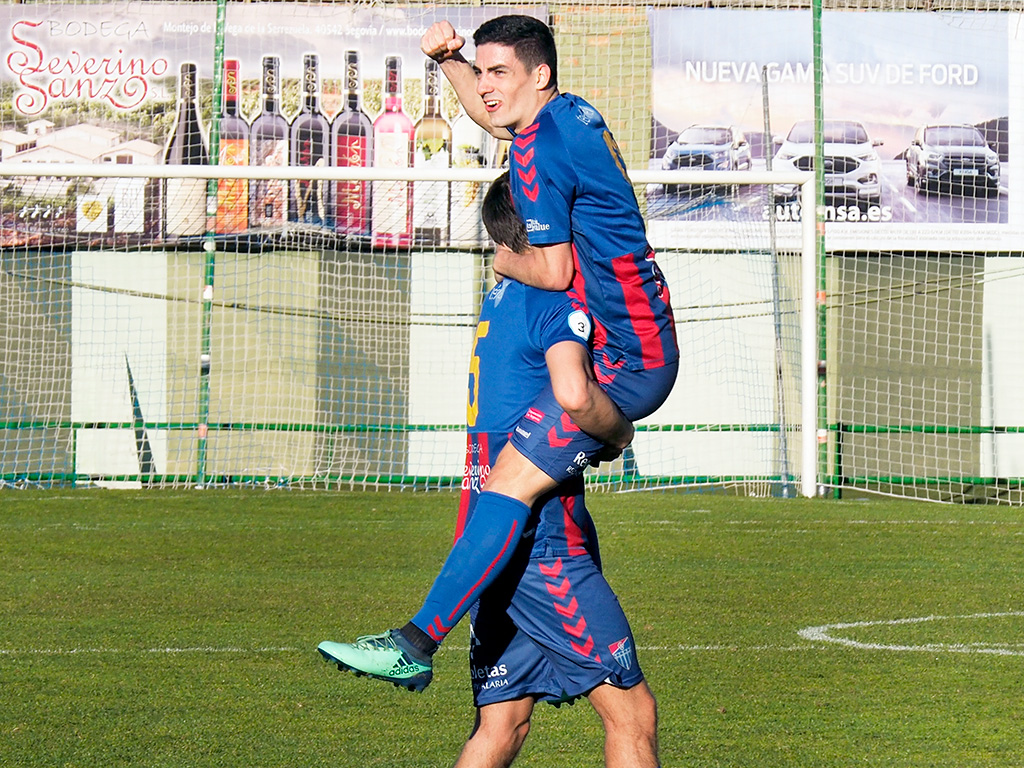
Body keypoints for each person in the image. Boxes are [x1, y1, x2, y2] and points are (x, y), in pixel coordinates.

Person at [317, 14, 677, 691]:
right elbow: (499, 119)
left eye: (497, 73)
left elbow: (556, 270)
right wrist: (453, 61)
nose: (484, 88)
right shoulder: (568, 114)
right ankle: (439, 639)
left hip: (629, 357)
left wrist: (501, 261)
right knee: (518, 486)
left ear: (539, 75)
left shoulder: (541, 148)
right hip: (638, 338)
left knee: (506, 480)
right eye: (480, 74)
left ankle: (417, 643)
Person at [326, 174, 661, 768]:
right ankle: (415, 640)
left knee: (503, 723)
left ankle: (416, 640)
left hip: (487, 530)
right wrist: (620, 432)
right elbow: (574, 394)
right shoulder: (559, 300)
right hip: (544, 543)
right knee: (632, 715)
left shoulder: (503, 294)